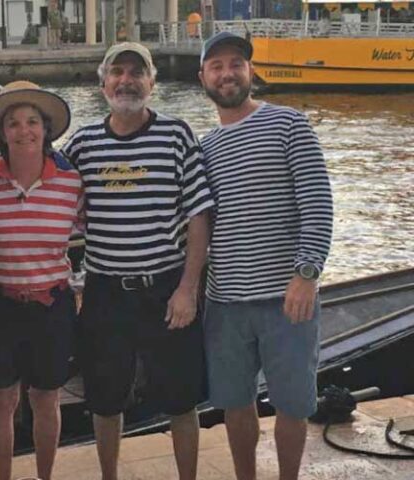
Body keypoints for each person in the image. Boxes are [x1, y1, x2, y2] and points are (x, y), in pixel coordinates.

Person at [61, 42, 213, 480]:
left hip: (166, 286)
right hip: (105, 291)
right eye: (117, 72)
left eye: (136, 72)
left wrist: (188, 288)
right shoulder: (84, 144)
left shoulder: (177, 134)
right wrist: (71, 282)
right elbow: (57, 205)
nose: (126, 81)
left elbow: (199, 215)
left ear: (152, 81)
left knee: (181, 400)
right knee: (106, 400)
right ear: (103, 81)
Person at [197, 32, 333, 480]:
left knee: (293, 403)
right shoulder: (205, 148)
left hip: (286, 299)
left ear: (250, 71)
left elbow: (318, 204)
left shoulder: (289, 124)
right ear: (203, 78)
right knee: (235, 403)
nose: (227, 73)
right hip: (226, 302)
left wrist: (306, 274)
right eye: (216, 66)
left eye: (236, 63)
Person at [0, 81, 81, 480]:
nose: (24, 131)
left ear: (45, 129)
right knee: (0, 398)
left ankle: (44, 476)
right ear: (2, 134)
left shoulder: (72, 184)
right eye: (13, 123)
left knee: (46, 398)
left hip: (50, 306)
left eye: (32, 121)